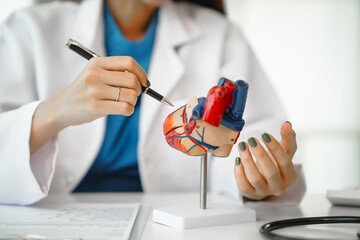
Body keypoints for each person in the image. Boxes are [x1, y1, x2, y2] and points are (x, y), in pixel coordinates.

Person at [0, 0, 305, 205]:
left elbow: (241, 146)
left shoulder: (221, 36)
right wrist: (55, 111)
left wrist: (256, 175)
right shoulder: (28, 29)